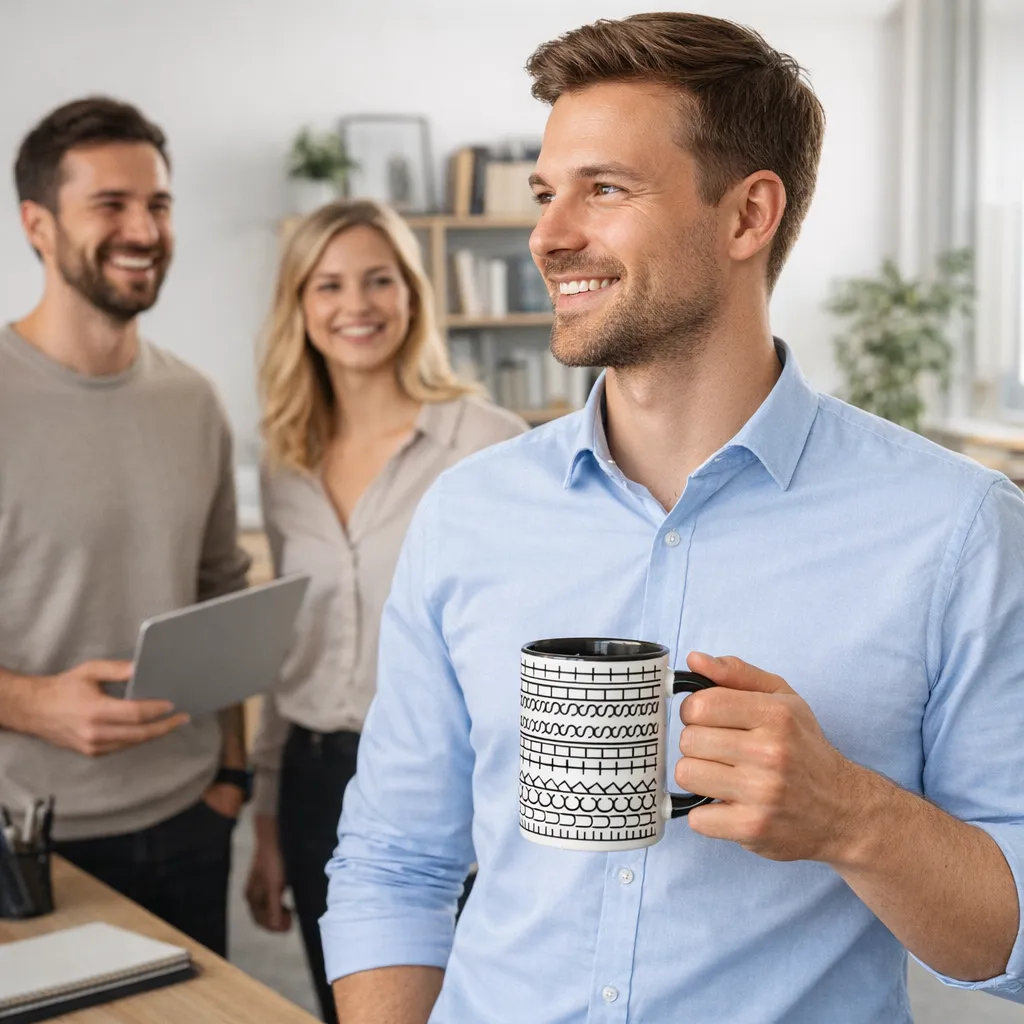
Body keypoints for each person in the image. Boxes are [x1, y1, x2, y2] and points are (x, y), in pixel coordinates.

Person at [319, 13, 1024, 1024]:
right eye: (544, 192)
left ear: (747, 217)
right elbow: (394, 863)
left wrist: (850, 816)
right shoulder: (469, 514)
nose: (547, 235)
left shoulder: (955, 532)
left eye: (604, 188)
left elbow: (1011, 942)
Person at [244, 198, 526, 1022]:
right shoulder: (285, 457)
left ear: (413, 294)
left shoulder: (487, 444)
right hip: (312, 779)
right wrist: (265, 818)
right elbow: (285, 648)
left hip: (442, 787)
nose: (355, 305)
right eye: (328, 285)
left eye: (379, 280)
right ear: (299, 305)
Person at [0, 97, 251, 957]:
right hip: (29, 839)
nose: (143, 228)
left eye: (159, 204)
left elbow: (221, 594)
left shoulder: (193, 400)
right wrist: (29, 705)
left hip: (191, 819)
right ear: (38, 224)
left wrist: (230, 773)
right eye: (110, 204)